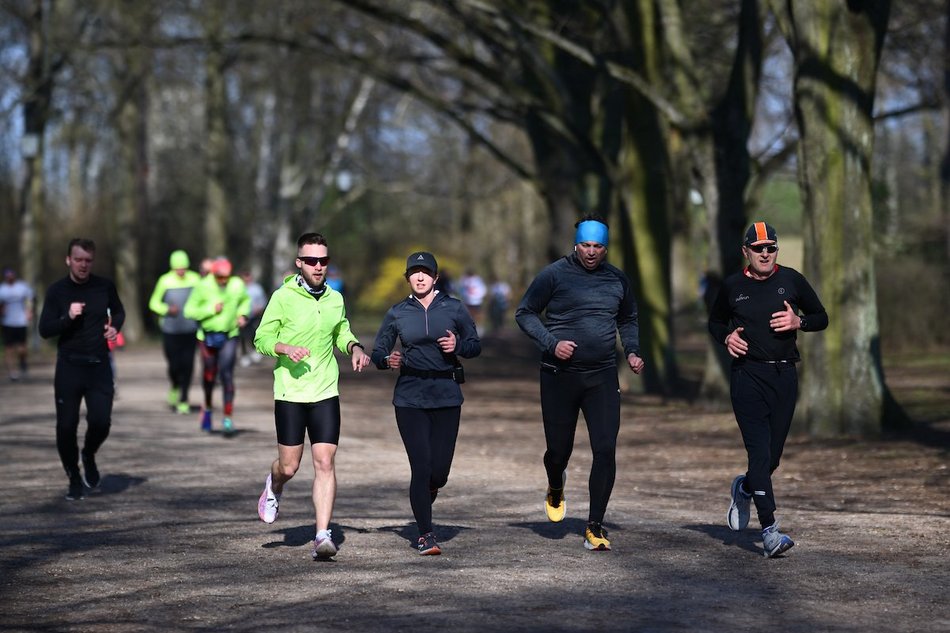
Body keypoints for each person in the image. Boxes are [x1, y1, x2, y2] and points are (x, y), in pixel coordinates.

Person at [515, 214, 644, 552]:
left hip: (601, 376)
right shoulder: (554, 275)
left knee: (605, 448)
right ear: (575, 245)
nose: (590, 252)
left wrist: (631, 351)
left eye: (597, 247)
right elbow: (525, 313)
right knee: (559, 451)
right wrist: (551, 342)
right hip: (559, 376)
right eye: (585, 245)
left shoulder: (617, 279)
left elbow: (628, 318)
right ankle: (555, 482)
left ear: (605, 248)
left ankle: (595, 526)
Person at [708, 221, 828, 558]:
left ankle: (745, 487)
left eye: (770, 247)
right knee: (759, 455)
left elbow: (821, 316)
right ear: (745, 251)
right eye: (758, 247)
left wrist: (799, 322)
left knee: (771, 460)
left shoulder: (792, 280)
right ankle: (770, 532)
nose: (765, 253)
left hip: (785, 377)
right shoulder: (732, 286)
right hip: (748, 377)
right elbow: (715, 322)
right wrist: (726, 337)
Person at [254, 232, 370, 561]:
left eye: (324, 261)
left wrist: (354, 346)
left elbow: (341, 329)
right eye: (312, 261)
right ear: (299, 263)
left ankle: (322, 535)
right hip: (291, 391)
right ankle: (274, 486)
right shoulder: (283, 297)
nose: (319, 267)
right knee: (290, 467)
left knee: (325, 462)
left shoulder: (335, 298)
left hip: (325, 390)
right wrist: (284, 348)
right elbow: (261, 338)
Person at [370, 252, 481, 555]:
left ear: (435, 276)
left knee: (439, 472)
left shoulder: (455, 308)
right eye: (414, 273)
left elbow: (475, 345)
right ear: (407, 278)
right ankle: (425, 535)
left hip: (446, 393)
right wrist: (386, 359)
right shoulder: (397, 313)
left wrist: (457, 345)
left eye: (425, 272)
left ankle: (429, 491)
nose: (419, 277)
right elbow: (378, 351)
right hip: (410, 396)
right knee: (421, 466)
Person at [38, 238, 125, 500]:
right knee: (66, 427)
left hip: (99, 365)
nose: (83, 265)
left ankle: (88, 454)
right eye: (78, 259)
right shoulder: (57, 291)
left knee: (101, 422)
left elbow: (119, 313)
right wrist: (67, 317)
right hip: (69, 366)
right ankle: (73, 476)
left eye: (88, 260)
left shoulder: (104, 286)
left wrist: (114, 328)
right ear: (68, 260)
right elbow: (44, 330)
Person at [183, 257, 250, 434]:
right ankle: (208, 407)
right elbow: (189, 311)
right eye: (220, 277)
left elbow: (245, 300)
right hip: (207, 337)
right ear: (213, 274)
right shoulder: (202, 286)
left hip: (230, 335)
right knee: (209, 376)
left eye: (226, 277)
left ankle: (228, 418)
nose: (224, 280)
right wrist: (211, 309)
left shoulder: (236, 284)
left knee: (227, 374)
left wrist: (243, 315)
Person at [148, 250, 201, 413]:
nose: (181, 271)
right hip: (170, 330)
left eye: (183, 268)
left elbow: (203, 297)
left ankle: (184, 398)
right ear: (172, 267)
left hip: (190, 329)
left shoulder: (195, 279)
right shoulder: (165, 280)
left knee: (188, 364)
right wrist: (167, 309)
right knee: (174, 365)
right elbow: (153, 303)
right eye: (178, 268)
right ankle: (175, 385)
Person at [0, 267, 35, 381]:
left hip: (21, 321)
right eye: (7, 275)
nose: (9, 277)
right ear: (5, 277)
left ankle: (23, 363)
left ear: (14, 276)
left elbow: (30, 299)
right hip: (7, 322)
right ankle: (12, 372)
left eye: (11, 275)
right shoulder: (2, 289)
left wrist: (29, 311)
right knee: (9, 348)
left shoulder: (22, 286)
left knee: (22, 348)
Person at [239, 270, 267, 367]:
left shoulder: (257, 289)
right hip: (242, 316)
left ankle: (254, 350)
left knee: (252, 334)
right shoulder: (239, 287)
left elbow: (263, 301)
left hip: (254, 316)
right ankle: (244, 355)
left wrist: (259, 309)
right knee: (242, 336)